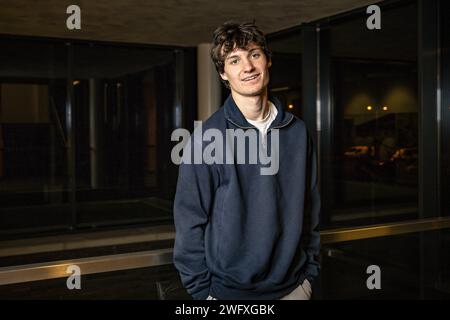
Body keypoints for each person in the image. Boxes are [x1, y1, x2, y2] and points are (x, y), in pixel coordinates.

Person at [173, 21, 321, 300]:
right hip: (228, 294)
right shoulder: (207, 138)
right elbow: (189, 222)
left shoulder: (298, 132)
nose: (248, 67)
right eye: (234, 60)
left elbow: (310, 208)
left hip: (294, 288)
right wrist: (204, 294)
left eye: (254, 54)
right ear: (223, 74)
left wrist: (309, 276)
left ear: (267, 60)